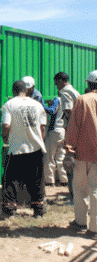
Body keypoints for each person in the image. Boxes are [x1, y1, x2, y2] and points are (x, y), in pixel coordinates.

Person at [1, 80, 47, 218]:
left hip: (17, 149)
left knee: (11, 180)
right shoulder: (37, 105)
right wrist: (39, 141)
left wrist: (5, 138)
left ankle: (10, 210)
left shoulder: (9, 105)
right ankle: (38, 210)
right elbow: (42, 127)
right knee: (37, 180)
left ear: (13, 91)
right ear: (26, 90)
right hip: (35, 148)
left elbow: (6, 125)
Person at [65, 70, 97, 238]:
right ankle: (94, 229)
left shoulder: (83, 100)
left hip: (83, 153)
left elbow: (74, 126)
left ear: (89, 83)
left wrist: (69, 149)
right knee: (96, 190)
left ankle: (80, 222)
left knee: (80, 189)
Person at [54, 72, 80, 202]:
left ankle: (74, 197)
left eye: (56, 82)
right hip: (80, 131)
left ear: (62, 81)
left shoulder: (65, 92)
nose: (55, 85)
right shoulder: (75, 91)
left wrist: (69, 136)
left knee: (69, 164)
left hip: (72, 132)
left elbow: (68, 112)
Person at [42, 94, 68, 186]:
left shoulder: (58, 99)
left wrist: (42, 105)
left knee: (49, 157)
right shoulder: (67, 100)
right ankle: (64, 180)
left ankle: (50, 181)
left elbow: (52, 111)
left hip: (54, 130)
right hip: (63, 130)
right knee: (60, 158)